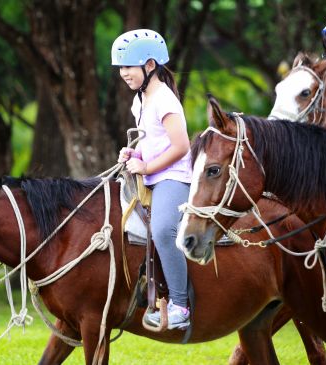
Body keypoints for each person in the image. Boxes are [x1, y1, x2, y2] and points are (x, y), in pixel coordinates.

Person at [111, 29, 191, 330]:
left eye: (128, 67)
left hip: (173, 175)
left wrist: (147, 167)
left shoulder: (164, 100)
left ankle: (181, 305)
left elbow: (181, 146)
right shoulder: (140, 100)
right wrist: (133, 155)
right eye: (121, 68)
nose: (123, 74)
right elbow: (149, 140)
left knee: (162, 230)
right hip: (153, 172)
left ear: (149, 66)